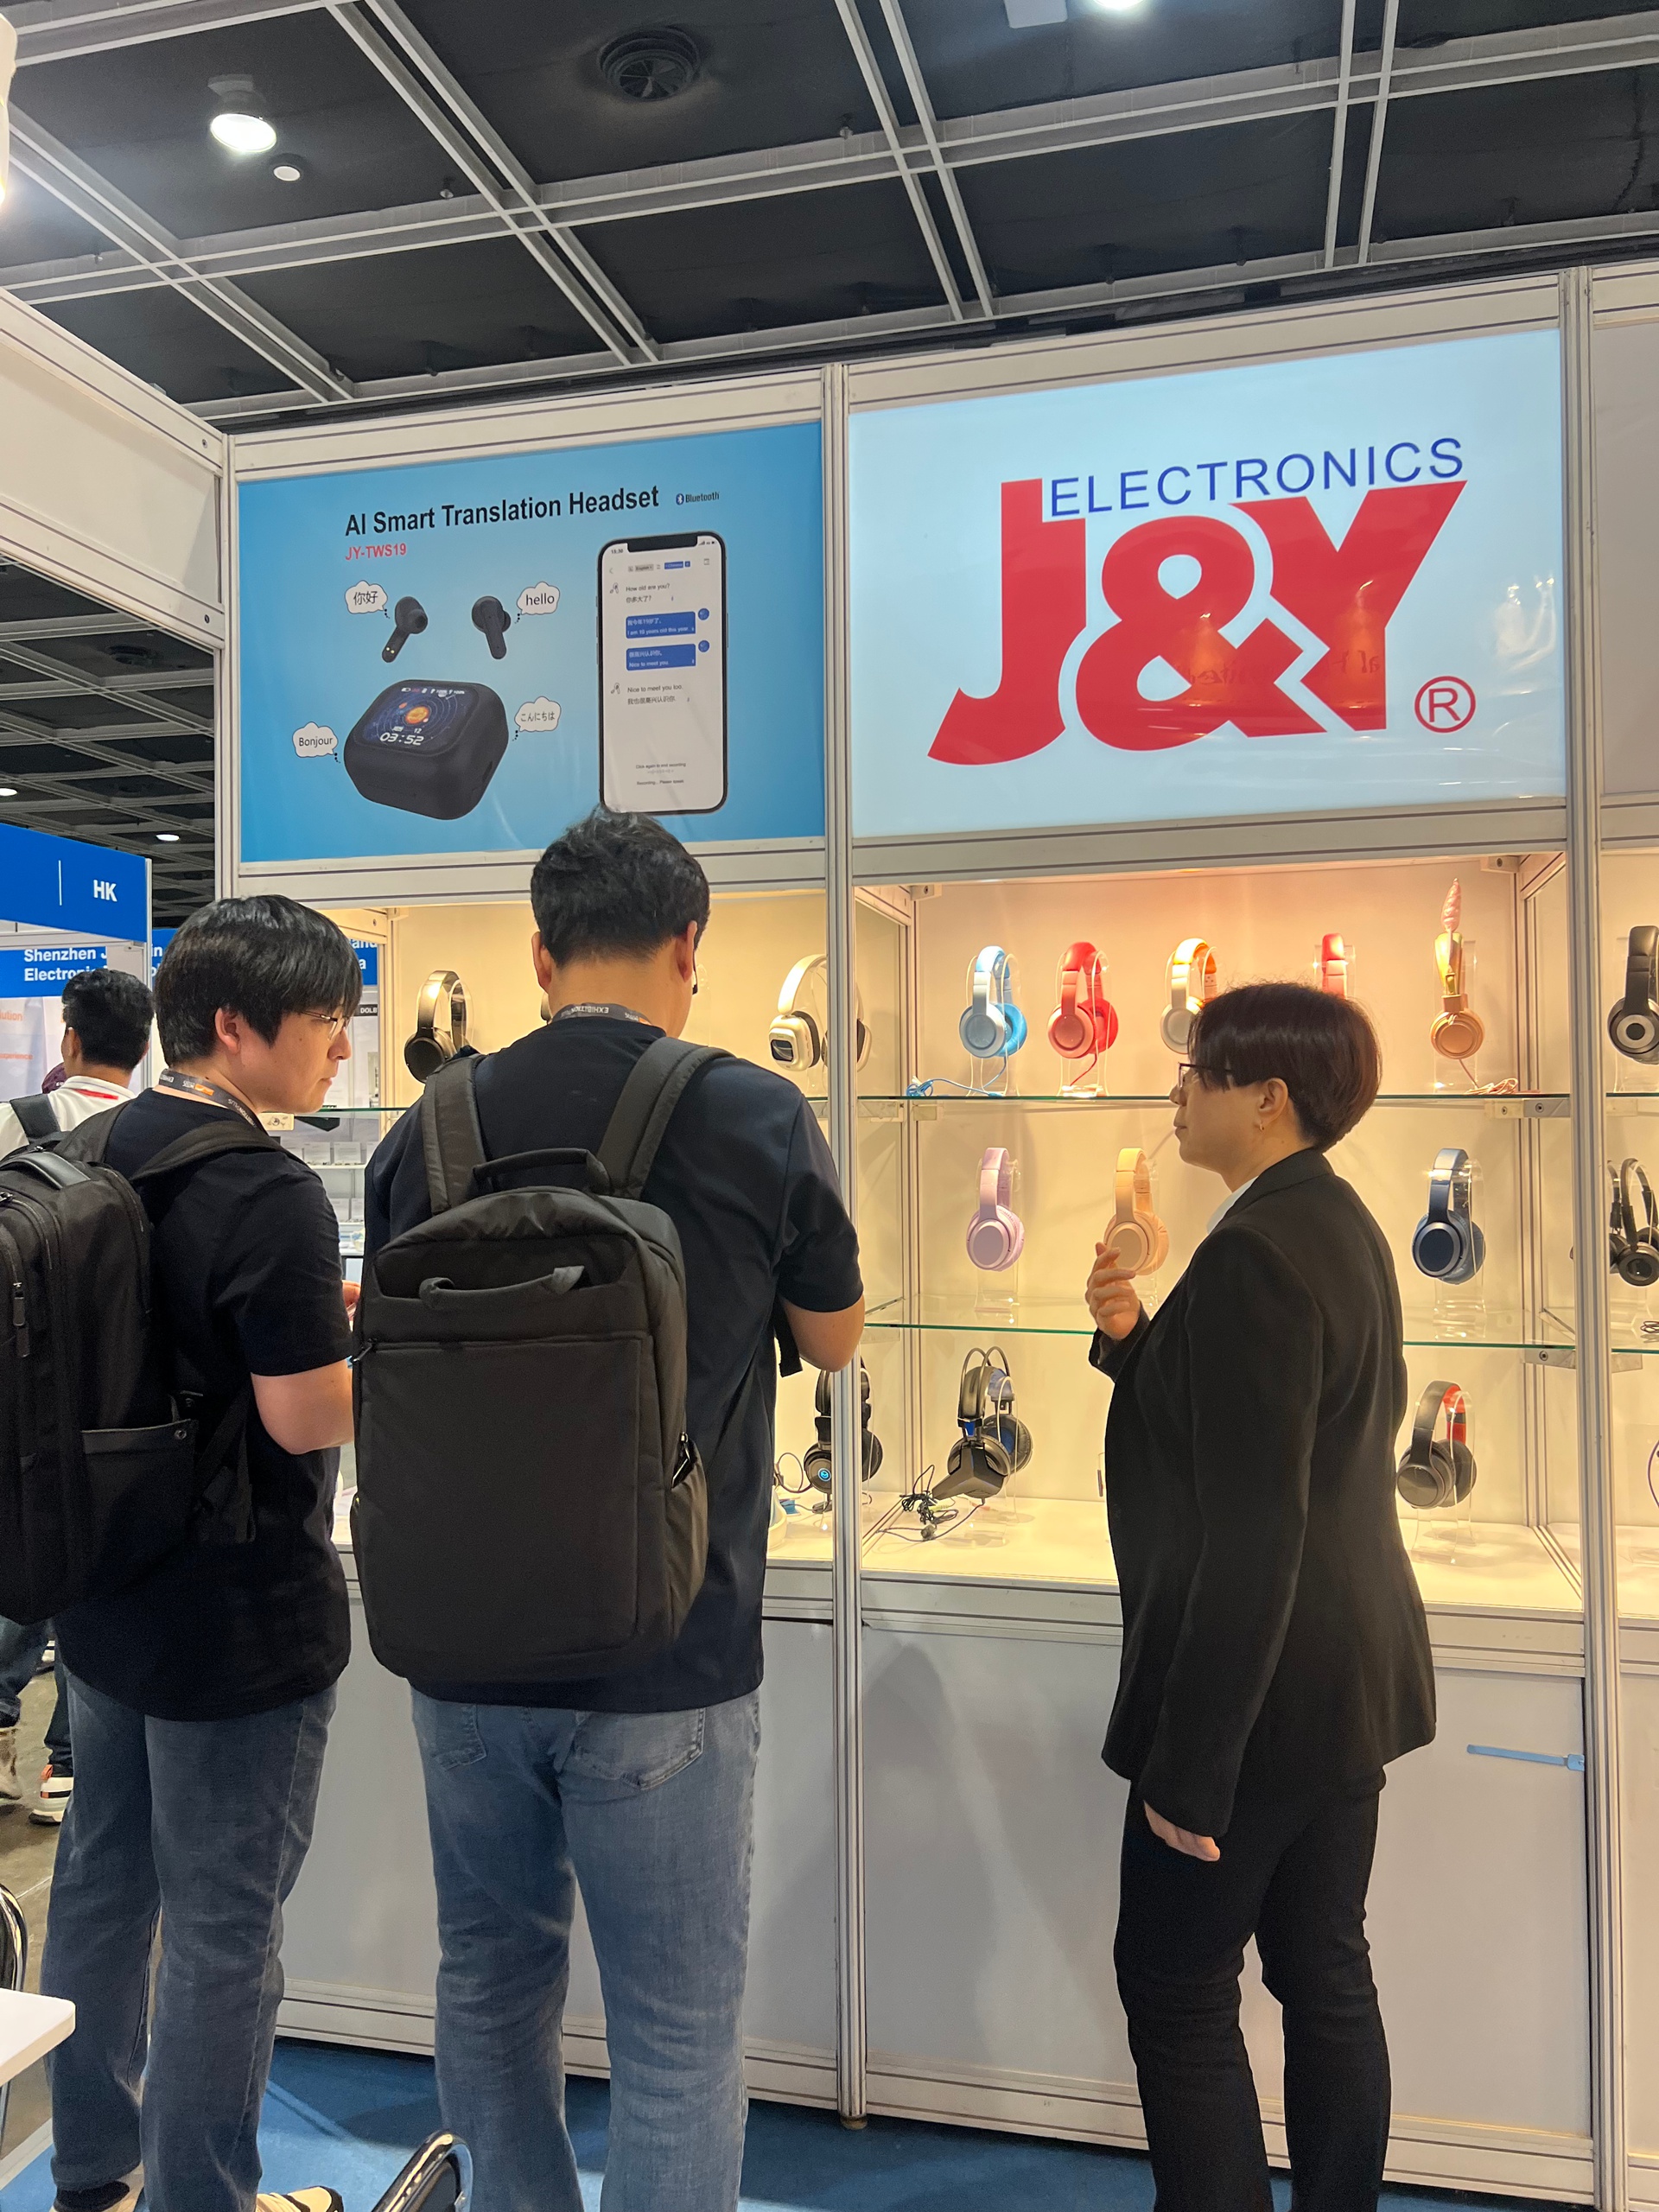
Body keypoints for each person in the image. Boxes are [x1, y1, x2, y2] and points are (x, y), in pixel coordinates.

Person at [365, 809, 865, 2212]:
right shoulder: (756, 1111)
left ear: (540, 955)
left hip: (461, 1648)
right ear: (689, 946)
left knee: (488, 1981)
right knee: (676, 2026)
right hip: (670, 1648)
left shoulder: (429, 1126)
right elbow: (831, 1340)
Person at [1084, 982, 1435, 2212]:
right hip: (1348, 1680)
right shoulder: (1333, 1219)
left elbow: (1251, 1529)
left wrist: (1191, 1768)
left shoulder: (1254, 1252)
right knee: (1324, 1972)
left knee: (1178, 1990)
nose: (1176, 1093)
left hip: (1257, 1704)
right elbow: (1274, 1435)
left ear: (1268, 1098)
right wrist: (1136, 1339)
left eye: (1199, 1073)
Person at [41, 897, 361, 2212]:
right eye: (326, 1019)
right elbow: (304, 1418)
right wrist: (379, 1356)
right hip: (238, 1618)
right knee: (225, 1929)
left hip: (101, 1589)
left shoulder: (89, 1150)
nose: (342, 1046)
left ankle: (90, 2168)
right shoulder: (268, 1191)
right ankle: (204, 2197)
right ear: (235, 1025)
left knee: (101, 1887)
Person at [0, 966, 156, 1824]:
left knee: (28, 1548)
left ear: (68, 1037)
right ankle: (67, 1764)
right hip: (128, 1390)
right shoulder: (148, 1132)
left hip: (27, 1381)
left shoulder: (20, 1123)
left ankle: (1, 1733)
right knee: (96, 1570)